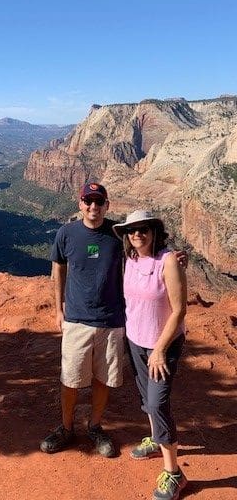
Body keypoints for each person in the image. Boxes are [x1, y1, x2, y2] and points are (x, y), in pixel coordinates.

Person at [40, 182, 124, 457]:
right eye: (88, 201)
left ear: (106, 206)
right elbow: (58, 269)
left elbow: (144, 254)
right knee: (71, 378)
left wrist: (173, 259)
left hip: (111, 320)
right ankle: (66, 428)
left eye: (99, 202)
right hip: (76, 319)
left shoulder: (116, 234)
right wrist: (58, 310)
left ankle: (95, 427)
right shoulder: (67, 234)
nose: (93, 207)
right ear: (80, 204)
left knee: (102, 378)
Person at [113, 210, 187, 500]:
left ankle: (175, 474)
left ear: (154, 232)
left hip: (162, 346)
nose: (138, 234)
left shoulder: (168, 261)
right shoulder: (129, 259)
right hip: (135, 341)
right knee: (146, 398)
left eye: (143, 229)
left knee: (157, 403)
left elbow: (179, 310)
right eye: (132, 230)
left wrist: (159, 350)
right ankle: (157, 439)